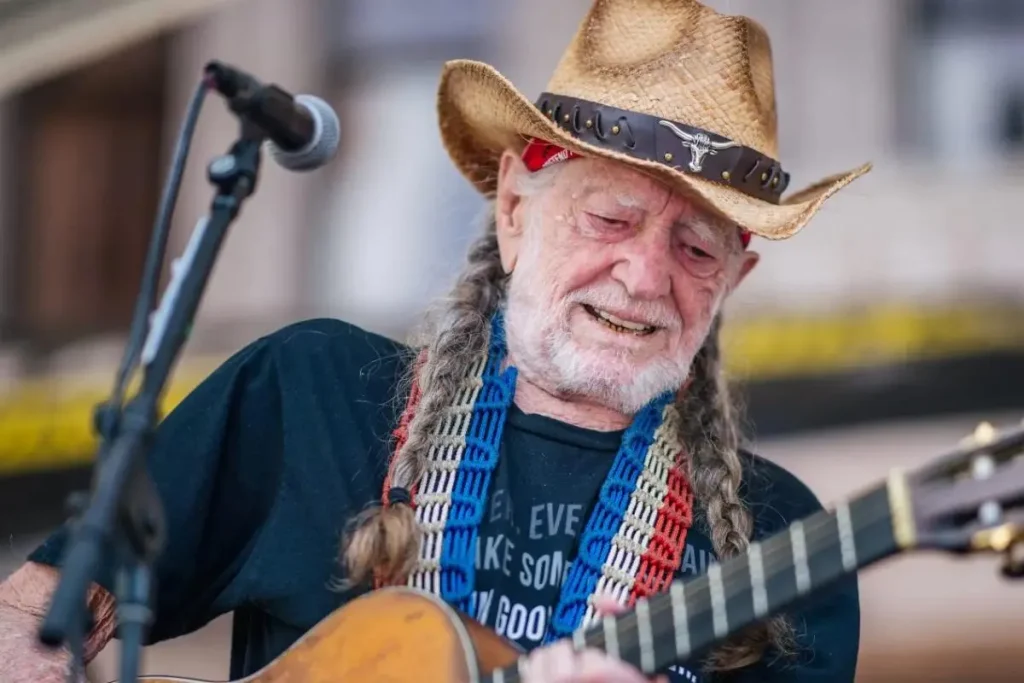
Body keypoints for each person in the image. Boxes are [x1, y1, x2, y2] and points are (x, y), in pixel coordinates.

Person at [0, 0, 873, 681]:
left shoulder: (783, 541)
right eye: (612, 217)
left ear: (731, 282)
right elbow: (28, 630)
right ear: (515, 211)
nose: (645, 278)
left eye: (694, 248)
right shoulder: (308, 392)